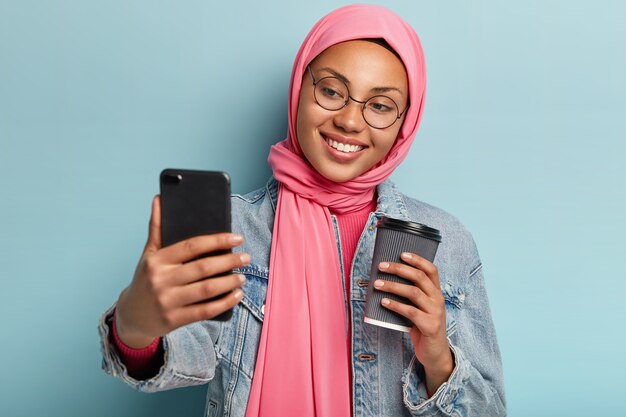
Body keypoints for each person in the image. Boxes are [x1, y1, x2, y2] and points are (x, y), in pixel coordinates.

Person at [98, 4, 506, 417]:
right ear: (299, 89)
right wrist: (135, 324)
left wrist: (438, 357)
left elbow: (490, 411)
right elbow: (183, 358)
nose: (349, 121)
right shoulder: (234, 228)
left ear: (405, 123)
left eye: (380, 105)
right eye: (331, 91)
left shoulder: (447, 243)